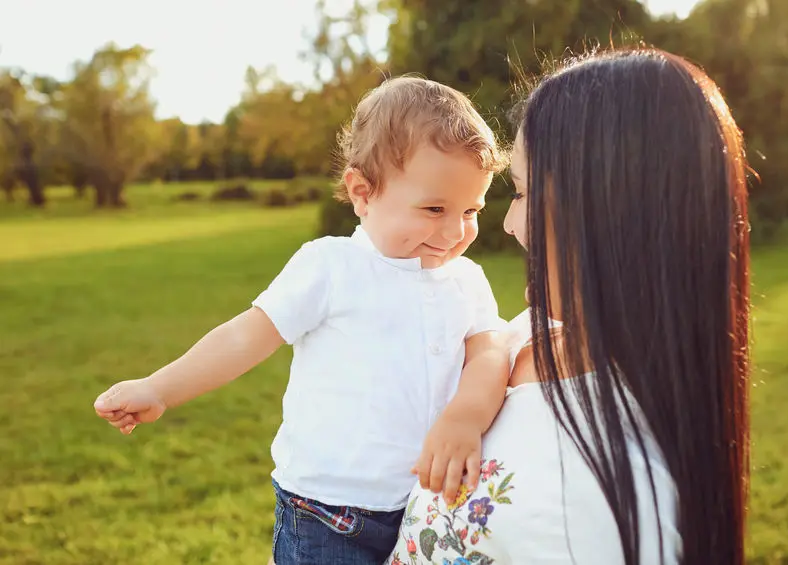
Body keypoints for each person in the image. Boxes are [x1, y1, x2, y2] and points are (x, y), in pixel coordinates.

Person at [92, 76, 513, 565]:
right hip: (327, 514)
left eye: (471, 209)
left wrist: (465, 417)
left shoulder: (467, 280)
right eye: (435, 208)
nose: (455, 230)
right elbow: (244, 337)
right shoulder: (330, 267)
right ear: (362, 192)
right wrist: (160, 389)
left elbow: (491, 353)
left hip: (427, 507)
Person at [389, 48, 751, 565]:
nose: (510, 225)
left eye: (519, 192)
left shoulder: (612, 507)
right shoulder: (530, 335)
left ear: (605, 211)